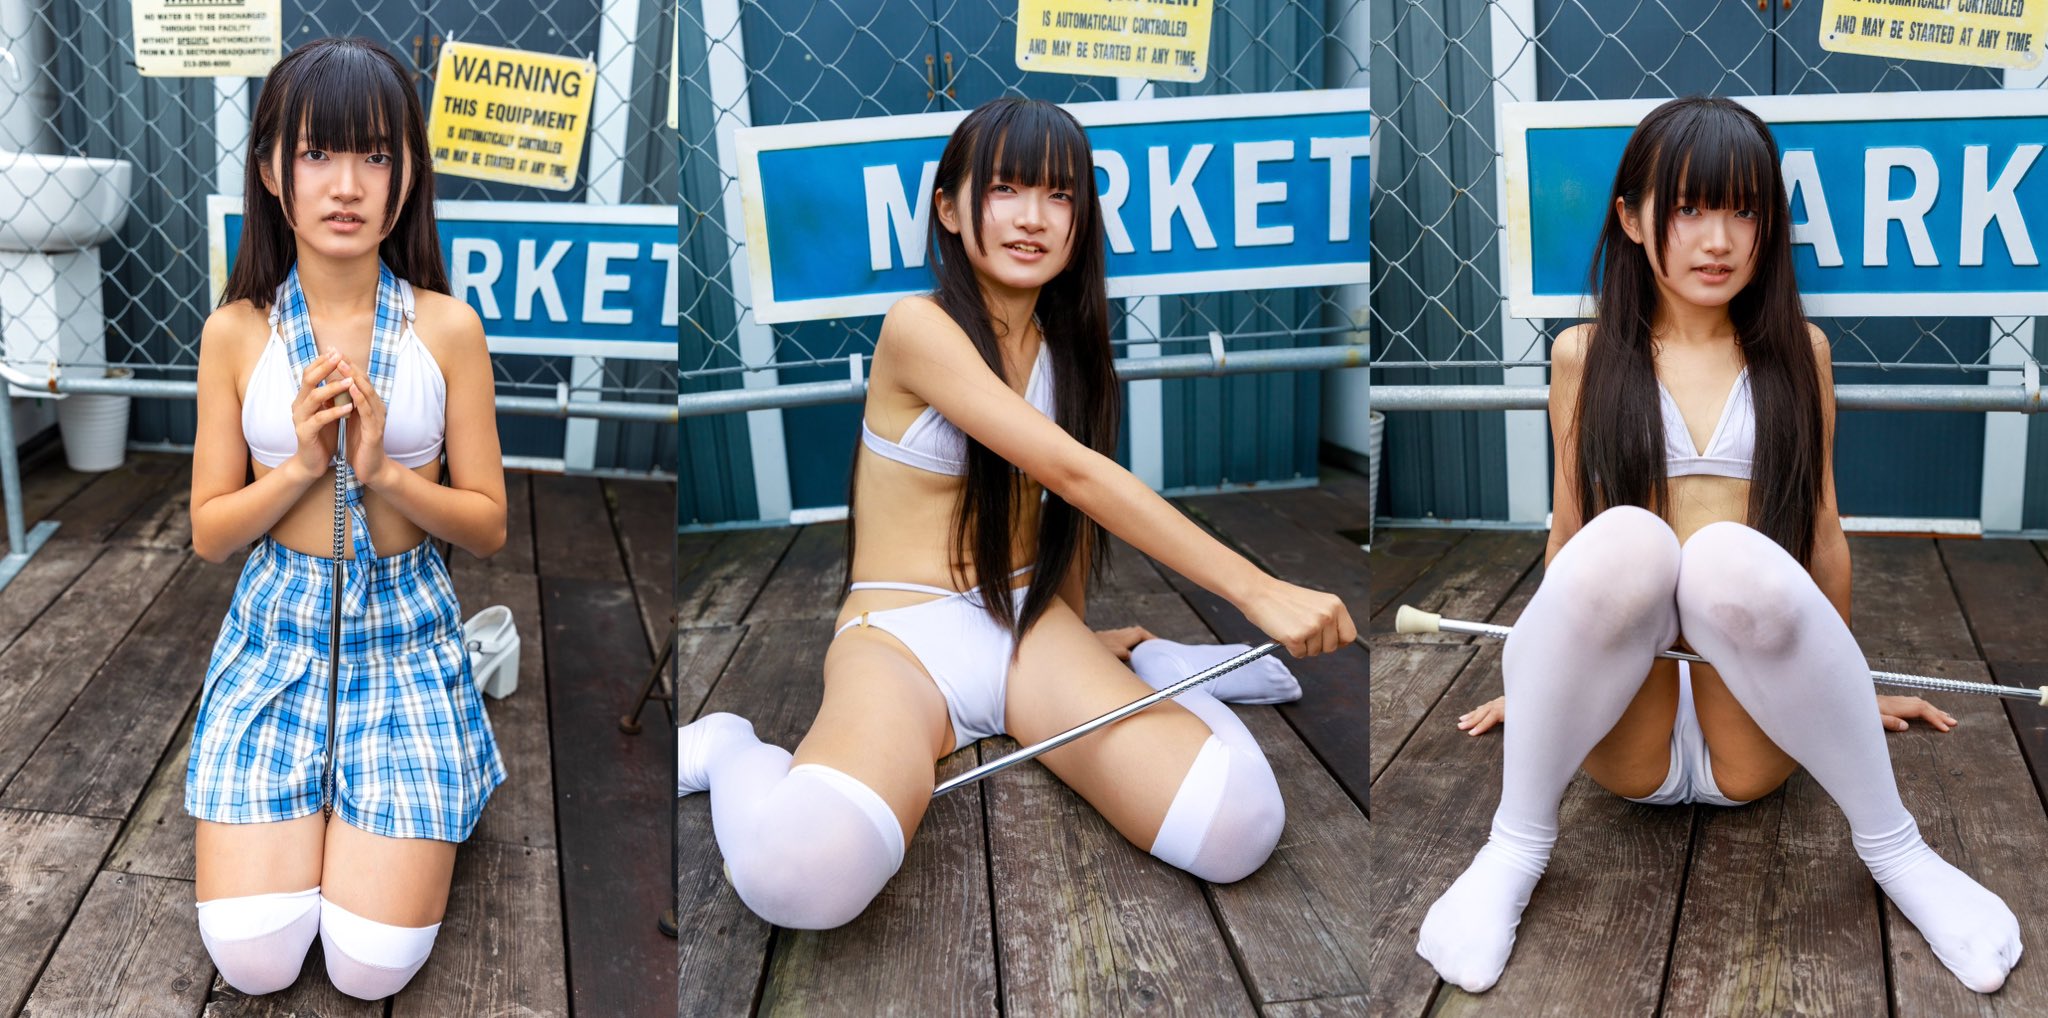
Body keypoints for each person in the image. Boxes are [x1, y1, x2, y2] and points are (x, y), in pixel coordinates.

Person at [675, 97, 1356, 929]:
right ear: (950, 208)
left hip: (1027, 626)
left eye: (1060, 195)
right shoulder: (918, 327)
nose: (1034, 217)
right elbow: (1074, 474)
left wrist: (1076, 637)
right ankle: (728, 745)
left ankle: (1159, 670)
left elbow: (1057, 513)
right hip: (902, 638)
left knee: (1240, 826)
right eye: (1005, 189)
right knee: (799, 880)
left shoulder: (1068, 347)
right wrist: (1258, 590)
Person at [1415, 95, 2021, 995]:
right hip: (1631, 726)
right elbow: (1570, 538)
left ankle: (1898, 851)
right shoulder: (1583, 355)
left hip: (1753, 728)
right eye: (1690, 208)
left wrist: (1845, 689)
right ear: (1631, 218)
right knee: (1628, 541)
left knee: (1727, 560)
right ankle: (1515, 847)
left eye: (1744, 210)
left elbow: (1821, 532)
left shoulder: (1799, 352)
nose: (1719, 240)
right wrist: (1543, 685)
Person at [184, 37, 506, 1000]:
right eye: (317, 153)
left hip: (405, 635)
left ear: (407, 174)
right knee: (254, 959)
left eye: (375, 154)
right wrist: (299, 467)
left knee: (371, 967)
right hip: (273, 637)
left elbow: (488, 526)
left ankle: (451, 719)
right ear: (271, 171)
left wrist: (381, 473)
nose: (347, 185)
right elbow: (210, 534)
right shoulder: (235, 332)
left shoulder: (447, 328)